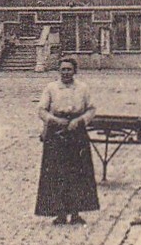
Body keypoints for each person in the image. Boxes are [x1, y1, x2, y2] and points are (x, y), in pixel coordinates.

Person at [34, 56, 99, 225]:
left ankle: (76, 213)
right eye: (63, 69)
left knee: (78, 172)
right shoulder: (51, 88)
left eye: (69, 69)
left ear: (75, 71)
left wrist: (80, 121)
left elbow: (91, 109)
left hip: (76, 132)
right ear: (59, 71)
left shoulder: (83, 88)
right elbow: (41, 110)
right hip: (57, 132)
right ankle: (60, 212)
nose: (66, 73)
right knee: (57, 173)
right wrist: (54, 121)